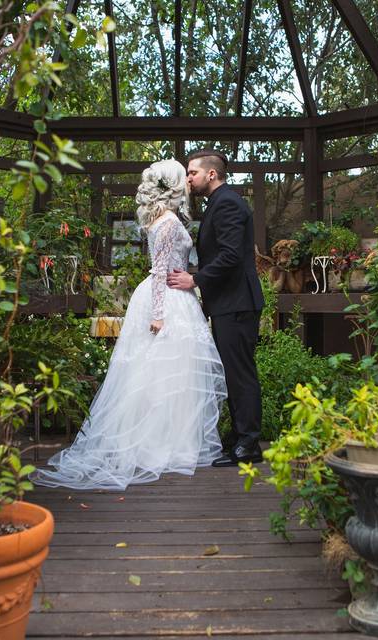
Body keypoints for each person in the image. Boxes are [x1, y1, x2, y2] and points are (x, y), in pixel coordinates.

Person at [34, 159, 225, 490]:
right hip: (166, 300)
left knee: (173, 376)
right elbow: (159, 271)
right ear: (174, 186)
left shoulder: (167, 219)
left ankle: (174, 442)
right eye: (185, 178)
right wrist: (158, 314)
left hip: (177, 297)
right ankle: (159, 445)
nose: (188, 183)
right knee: (161, 375)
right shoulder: (166, 223)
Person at [167, 149, 264, 467]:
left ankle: (249, 444)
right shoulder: (217, 204)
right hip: (228, 303)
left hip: (237, 303)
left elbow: (232, 255)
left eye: (192, 172)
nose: (188, 178)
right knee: (234, 373)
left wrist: (194, 280)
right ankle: (238, 438)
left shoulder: (227, 204)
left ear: (211, 174)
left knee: (241, 374)